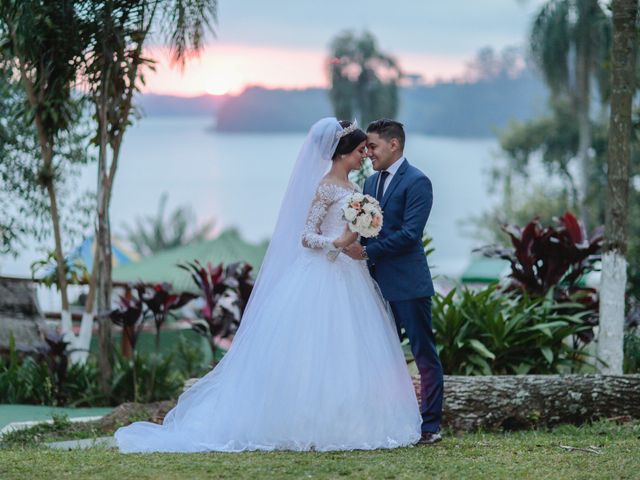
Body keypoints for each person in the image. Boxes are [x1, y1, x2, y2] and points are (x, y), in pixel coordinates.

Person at [114, 118, 421, 453]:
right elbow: (305, 236)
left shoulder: (355, 190)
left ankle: (350, 419)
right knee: (311, 349)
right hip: (320, 275)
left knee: (349, 349)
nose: (364, 156)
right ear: (344, 152)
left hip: (350, 275)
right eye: (361, 150)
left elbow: (352, 232)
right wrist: (337, 242)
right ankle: (302, 420)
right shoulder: (325, 187)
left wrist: (358, 239)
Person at [344, 119, 444, 445]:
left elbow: (409, 235)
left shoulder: (418, 182)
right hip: (374, 286)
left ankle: (430, 426)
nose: (368, 152)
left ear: (394, 144)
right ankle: (383, 421)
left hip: (409, 284)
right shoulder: (370, 185)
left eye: (372, 146)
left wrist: (367, 251)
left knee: (424, 355)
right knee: (379, 355)